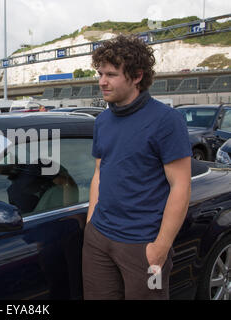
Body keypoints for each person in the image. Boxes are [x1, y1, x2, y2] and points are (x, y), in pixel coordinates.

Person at [82, 35, 192, 300]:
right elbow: (100, 172)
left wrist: (160, 248)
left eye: (111, 74)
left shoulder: (166, 121)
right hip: (99, 239)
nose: (102, 81)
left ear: (137, 75)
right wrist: (90, 225)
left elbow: (181, 185)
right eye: (100, 73)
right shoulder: (103, 121)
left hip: (143, 246)